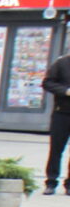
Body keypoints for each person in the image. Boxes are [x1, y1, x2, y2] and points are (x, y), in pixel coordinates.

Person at [44, 50, 70, 195]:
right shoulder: (61, 63)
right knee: (56, 149)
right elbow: (47, 83)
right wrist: (65, 91)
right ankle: (51, 182)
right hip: (62, 112)